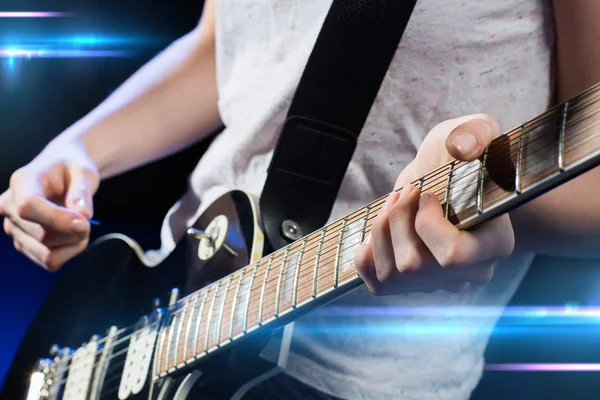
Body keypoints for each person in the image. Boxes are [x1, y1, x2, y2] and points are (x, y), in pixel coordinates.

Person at [2, 0, 600, 398]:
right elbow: (227, 44)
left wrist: (469, 191)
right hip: (168, 297)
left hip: (357, 378)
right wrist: (78, 150)